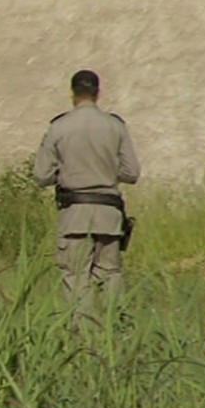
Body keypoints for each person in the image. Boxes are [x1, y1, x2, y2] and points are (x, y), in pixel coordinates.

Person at [33, 69, 140, 328]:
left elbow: (41, 175)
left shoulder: (59, 126)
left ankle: (83, 338)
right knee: (111, 274)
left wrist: (67, 171)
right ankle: (118, 332)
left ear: (72, 94)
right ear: (98, 93)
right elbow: (132, 173)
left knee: (76, 276)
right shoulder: (115, 125)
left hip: (74, 214)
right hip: (109, 214)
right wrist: (104, 169)